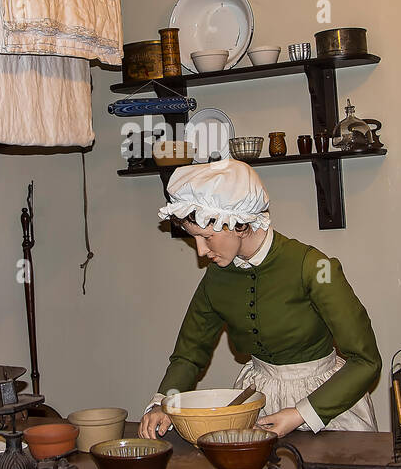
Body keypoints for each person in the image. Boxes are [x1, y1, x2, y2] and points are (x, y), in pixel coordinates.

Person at [138, 159, 380, 438]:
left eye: (207, 237)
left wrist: (300, 413)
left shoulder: (315, 267)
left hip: (326, 403)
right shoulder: (216, 278)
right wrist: (163, 402)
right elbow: (189, 355)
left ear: (237, 224)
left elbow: (366, 360)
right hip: (257, 400)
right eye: (195, 240)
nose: (201, 252)